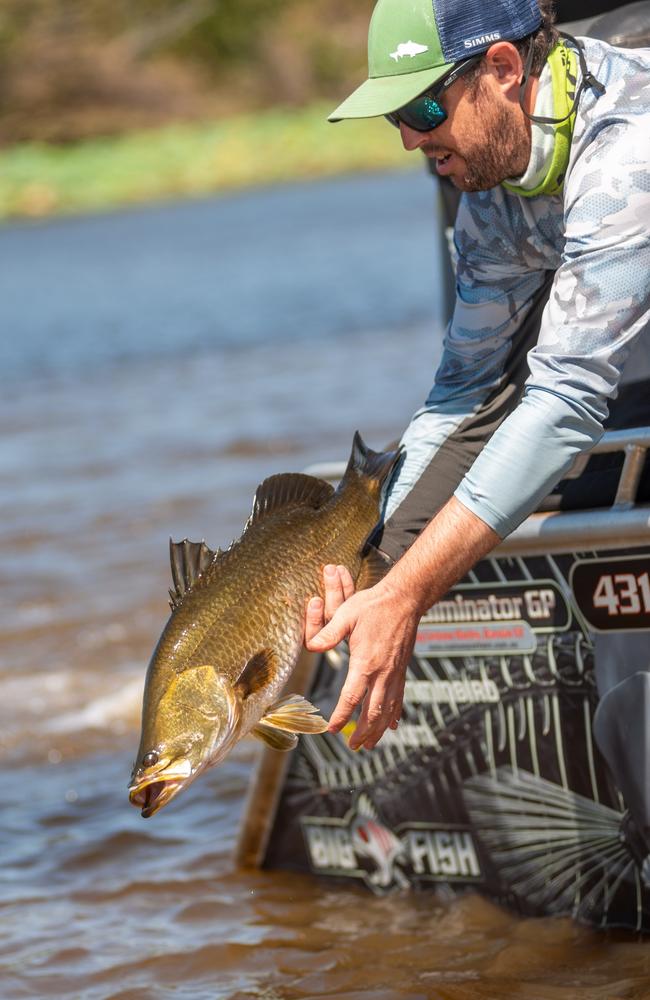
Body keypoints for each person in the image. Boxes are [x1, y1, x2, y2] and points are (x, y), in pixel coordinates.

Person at [303, 0, 650, 752]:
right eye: (394, 115)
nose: (408, 139)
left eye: (424, 107)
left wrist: (406, 594)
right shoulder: (487, 203)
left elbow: (564, 400)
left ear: (502, 69)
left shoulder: (630, 149)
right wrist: (377, 564)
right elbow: (463, 396)